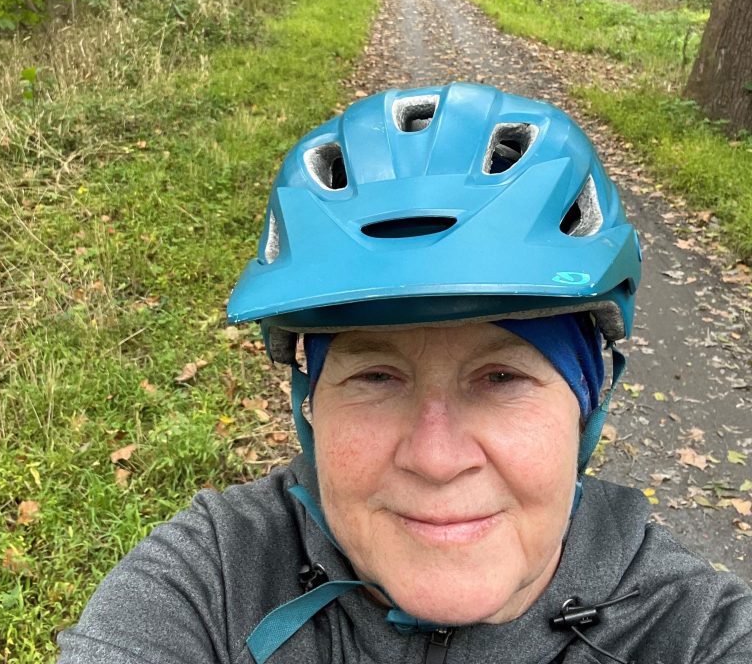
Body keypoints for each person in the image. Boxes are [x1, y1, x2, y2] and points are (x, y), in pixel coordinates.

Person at [57, 83, 752, 664]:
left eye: (502, 378)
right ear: (309, 403)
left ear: (587, 405)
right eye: (375, 378)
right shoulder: (213, 576)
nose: (436, 457)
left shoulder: (690, 630)